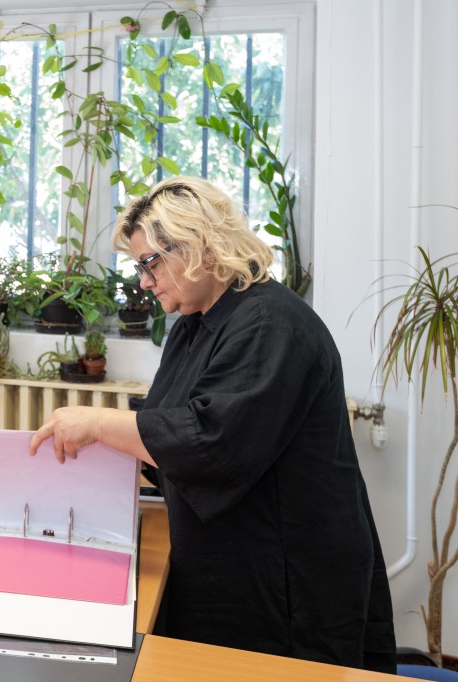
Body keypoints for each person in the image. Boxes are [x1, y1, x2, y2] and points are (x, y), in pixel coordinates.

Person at [29, 176, 396, 672]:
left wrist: (97, 422)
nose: (143, 281)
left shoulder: (270, 324)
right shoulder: (193, 325)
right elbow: (164, 429)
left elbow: (208, 443)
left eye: (149, 263)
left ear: (199, 245)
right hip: (232, 556)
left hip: (289, 575)